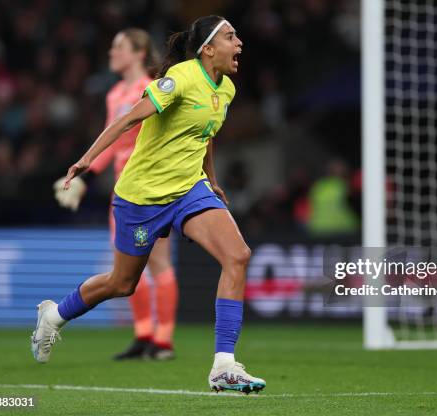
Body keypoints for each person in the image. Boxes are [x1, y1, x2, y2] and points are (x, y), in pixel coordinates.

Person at [31, 15, 266, 394]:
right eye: (230, 36)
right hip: (142, 196)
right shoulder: (179, 80)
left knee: (237, 255)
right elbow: (126, 122)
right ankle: (54, 315)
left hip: (190, 189)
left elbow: (204, 133)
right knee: (122, 283)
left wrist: (213, 180)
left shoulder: (227, 90)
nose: (239, 43)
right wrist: (86, 161)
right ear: (207, 49)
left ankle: (224, 365)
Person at [52, 28, 178, 361]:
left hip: (154, 188)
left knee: (158, 261)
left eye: (118, 47)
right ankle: (143, 335)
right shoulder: (114, 95)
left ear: (138, 52)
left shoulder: (153, 89)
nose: (111, 53)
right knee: (127, 267)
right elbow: (113, 140)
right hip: (124, 190)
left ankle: (163, 342)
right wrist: (85, 177)